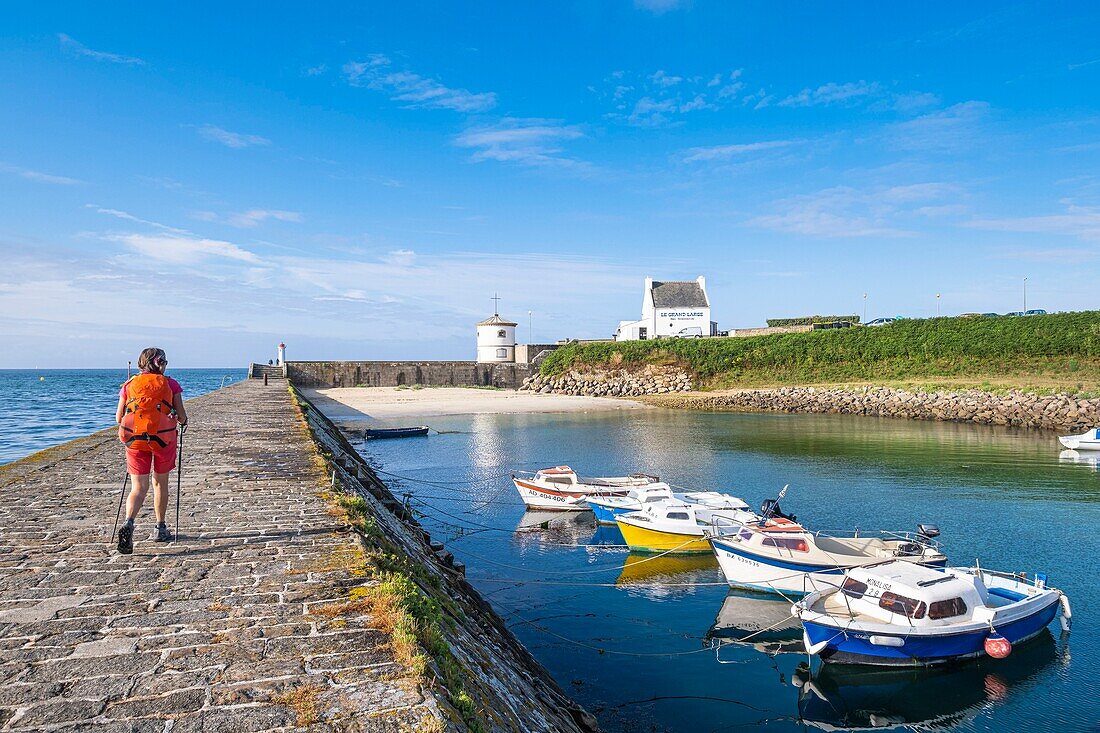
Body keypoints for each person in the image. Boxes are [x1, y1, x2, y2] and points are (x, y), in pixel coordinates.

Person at [115, 347, 187, 553]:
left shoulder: (129, 384)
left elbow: (119, 417)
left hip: (135, 440)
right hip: (163, 439)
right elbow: (181, 416)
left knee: (138, 487)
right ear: (160, 363)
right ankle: (160, 527)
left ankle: (129, 522)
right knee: (160, 482)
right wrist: (178, 418)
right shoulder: (171, 384)